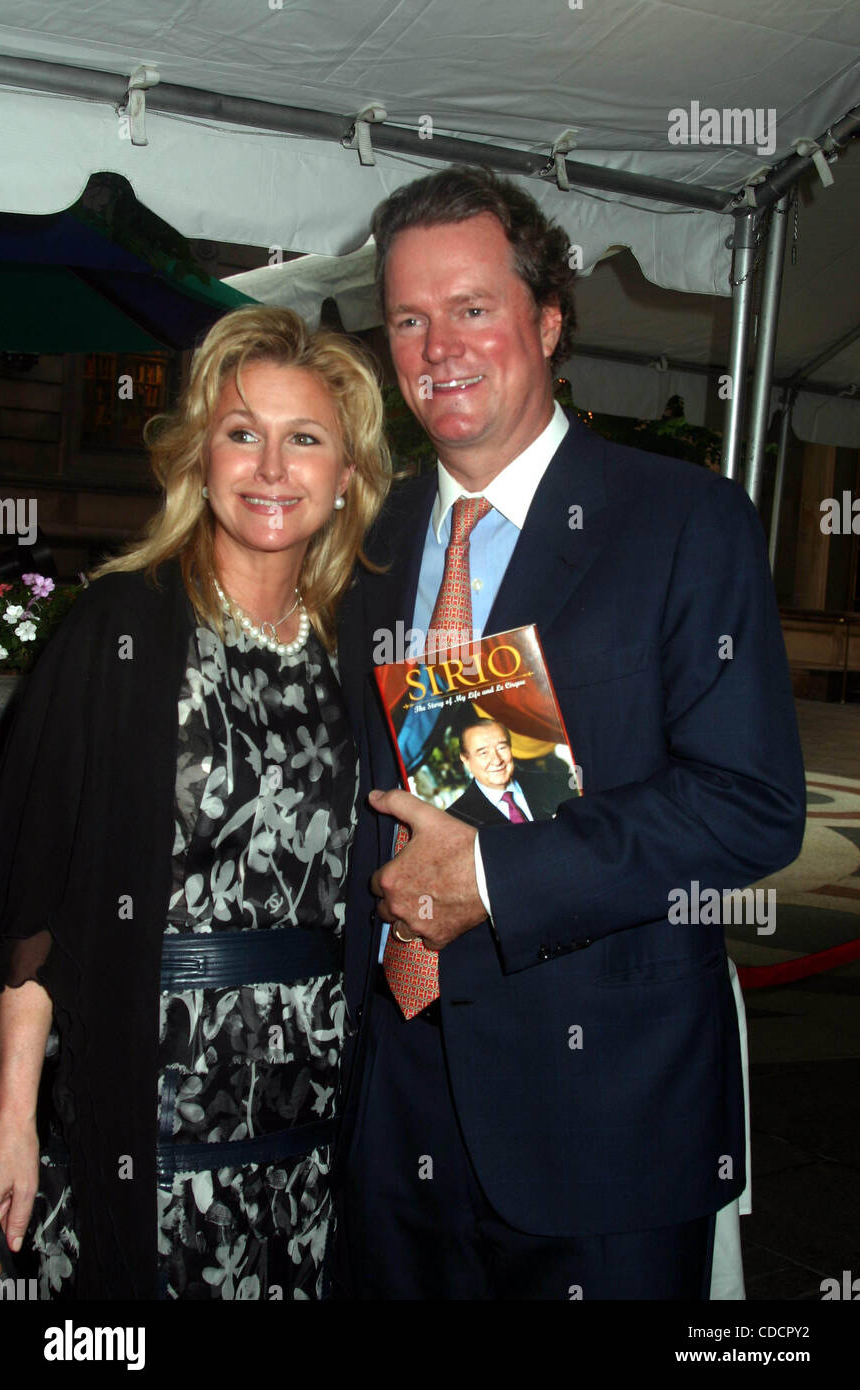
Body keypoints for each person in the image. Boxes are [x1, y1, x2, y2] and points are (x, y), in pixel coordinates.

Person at [332, 166, 806, 1300]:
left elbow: (750, 804)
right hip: (391, 1104)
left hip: (605, 1115)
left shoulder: (682, 519)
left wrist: (493, 875)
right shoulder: (367, 535)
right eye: (408, 317)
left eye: (472, 307)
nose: (437, 345)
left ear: (546, 318)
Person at [0, 306, 390, 1300]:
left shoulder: (366, 648)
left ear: (346, 476)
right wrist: (9, 1114)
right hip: (142, 1091)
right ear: (198, 458)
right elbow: (27, 902)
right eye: (240, 432)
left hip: (309, 1107)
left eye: (304, 439)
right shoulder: (118, 627)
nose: (269, 466)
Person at [448, 716, 558, 827]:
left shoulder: (553, 783)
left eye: (502, 748)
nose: (497, 761)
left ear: (511, 748)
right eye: (483, 753)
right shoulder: (457, 819)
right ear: (466, 760)